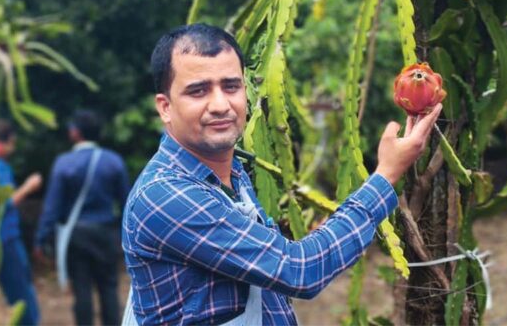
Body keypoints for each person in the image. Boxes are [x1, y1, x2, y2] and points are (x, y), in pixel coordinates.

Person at [122, 24, 442, 325]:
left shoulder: (229, 171)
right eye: (198, 91)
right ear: (165, 107)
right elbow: (298, 270)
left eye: (231, 86)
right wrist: (386, 174)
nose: (220, 104)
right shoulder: (166, 195)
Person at [34, 109, 130, 325]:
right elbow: (127, 203)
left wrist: (41, 238)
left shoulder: (64, 163)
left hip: (75, 235)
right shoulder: (113, 161)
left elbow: (52, 207)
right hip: (105, 232)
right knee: (109, 287)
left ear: (75, 133)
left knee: (81, 288)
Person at [0, 119, 42, 326]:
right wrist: (29, 187)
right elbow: (4, 204)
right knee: (20, 290)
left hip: (5, 237)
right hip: (4, 239)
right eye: (12, 143)